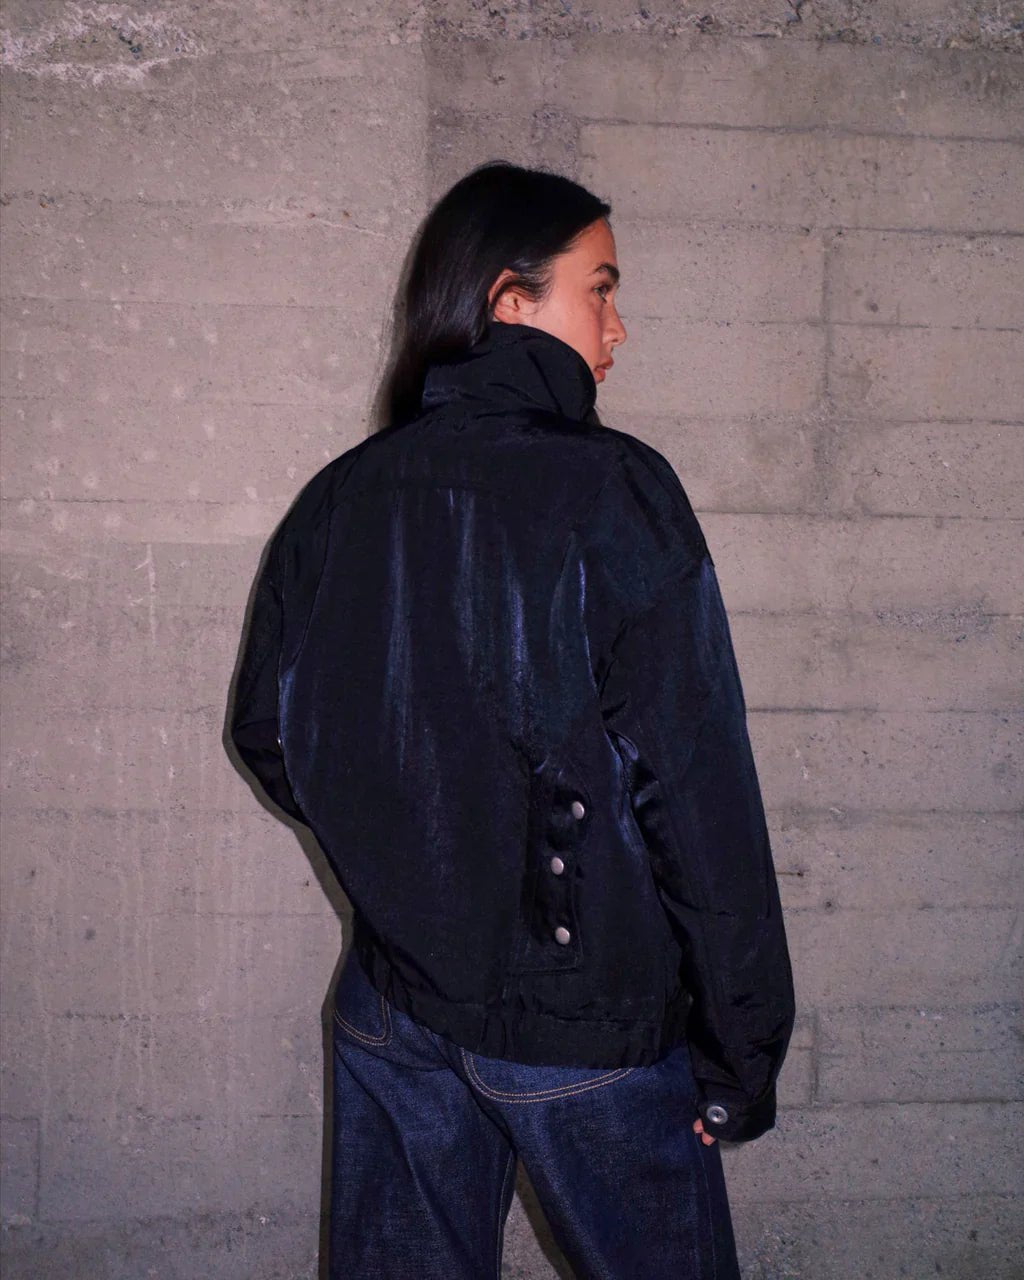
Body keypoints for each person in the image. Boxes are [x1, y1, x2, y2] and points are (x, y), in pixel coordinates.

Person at [229, 160, 796, 1280]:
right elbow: (696, 792)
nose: (619, 328)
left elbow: (270, 734)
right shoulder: (614, 489)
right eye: (601, 290)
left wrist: (405, 868)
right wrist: (741, 1047)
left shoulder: (341, 495)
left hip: (393, 1008)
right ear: (508, 299)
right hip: (582, 1026)